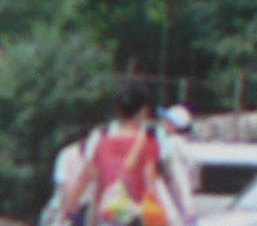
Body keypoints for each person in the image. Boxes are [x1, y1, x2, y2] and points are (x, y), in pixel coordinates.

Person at [58, 82, 192, 226]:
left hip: (108, 216)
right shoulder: (153, 138)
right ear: (145, 109)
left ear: (119, 108)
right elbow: (158, 181)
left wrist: (69, 208)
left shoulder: (101, 136)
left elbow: (86, 176)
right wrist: (185, 213)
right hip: (140, 216)